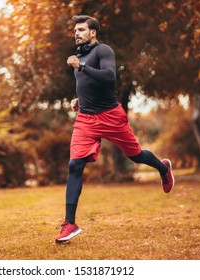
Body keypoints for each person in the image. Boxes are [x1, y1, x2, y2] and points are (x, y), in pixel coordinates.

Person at [55, 15, 175, 244]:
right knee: (74, 164)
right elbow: (89, 85)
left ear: (93, 32)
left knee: (136, 155)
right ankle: (70, 223)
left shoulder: (103, 51)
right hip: (86, 119)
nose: (76, 33)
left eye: (81, 30)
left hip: (111, 116)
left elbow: (109, 78)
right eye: (75, 30)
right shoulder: (79, 57)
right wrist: (79, 100)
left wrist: (81, 66)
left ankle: (163, 168)